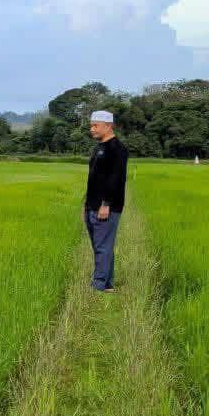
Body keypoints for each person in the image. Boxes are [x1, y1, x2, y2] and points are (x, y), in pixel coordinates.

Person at [84, 110, 129, 293]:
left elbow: (116, 179)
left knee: (102, 247)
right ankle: (107, 284)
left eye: (95, 125)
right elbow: (93, 179)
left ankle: (98, 285)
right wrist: (86, 206)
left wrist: (106, 204)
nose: (91, 129)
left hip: (106, 207)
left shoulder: (117, 149)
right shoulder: (99, 148)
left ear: (108, 126)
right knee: (102, 246)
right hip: (92, 206)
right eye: (91, 125)